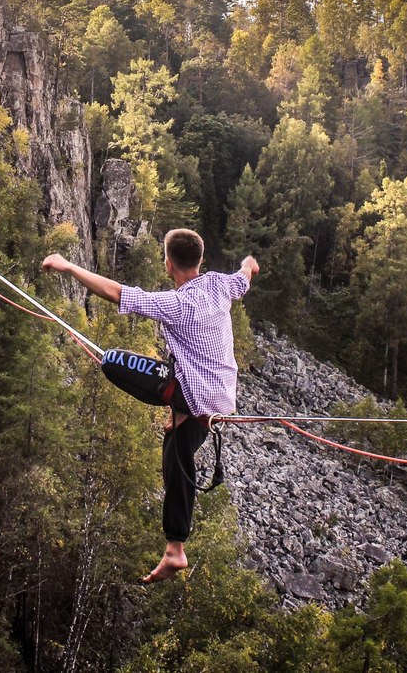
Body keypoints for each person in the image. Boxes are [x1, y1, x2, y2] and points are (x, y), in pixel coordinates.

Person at [42, 229, 258, 583]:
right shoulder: (220, 284)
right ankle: (176, 549)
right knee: (176, 451)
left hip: (196, 394)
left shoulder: (176, 304)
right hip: (222, 397)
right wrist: (250, 263)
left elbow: (117, 293)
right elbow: (243, 276)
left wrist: (68, 267)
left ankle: (182, 405)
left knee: (112, 361)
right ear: (201, 261)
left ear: (168, 263)